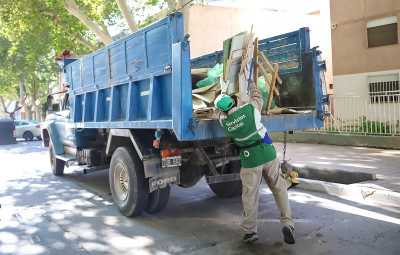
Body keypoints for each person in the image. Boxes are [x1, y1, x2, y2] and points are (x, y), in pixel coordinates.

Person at [214, 77, 295, 245]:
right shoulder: (251, 109)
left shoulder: (227, 124)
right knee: (279, 188)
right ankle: (287, 223)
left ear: (222, 112)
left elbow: (217, 115)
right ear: (234, 101)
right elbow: (257, 97)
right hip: (267, 153)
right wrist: (249, 82)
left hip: (251, 161)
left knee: (250, 196)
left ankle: (250, 232)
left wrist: (220, 95)